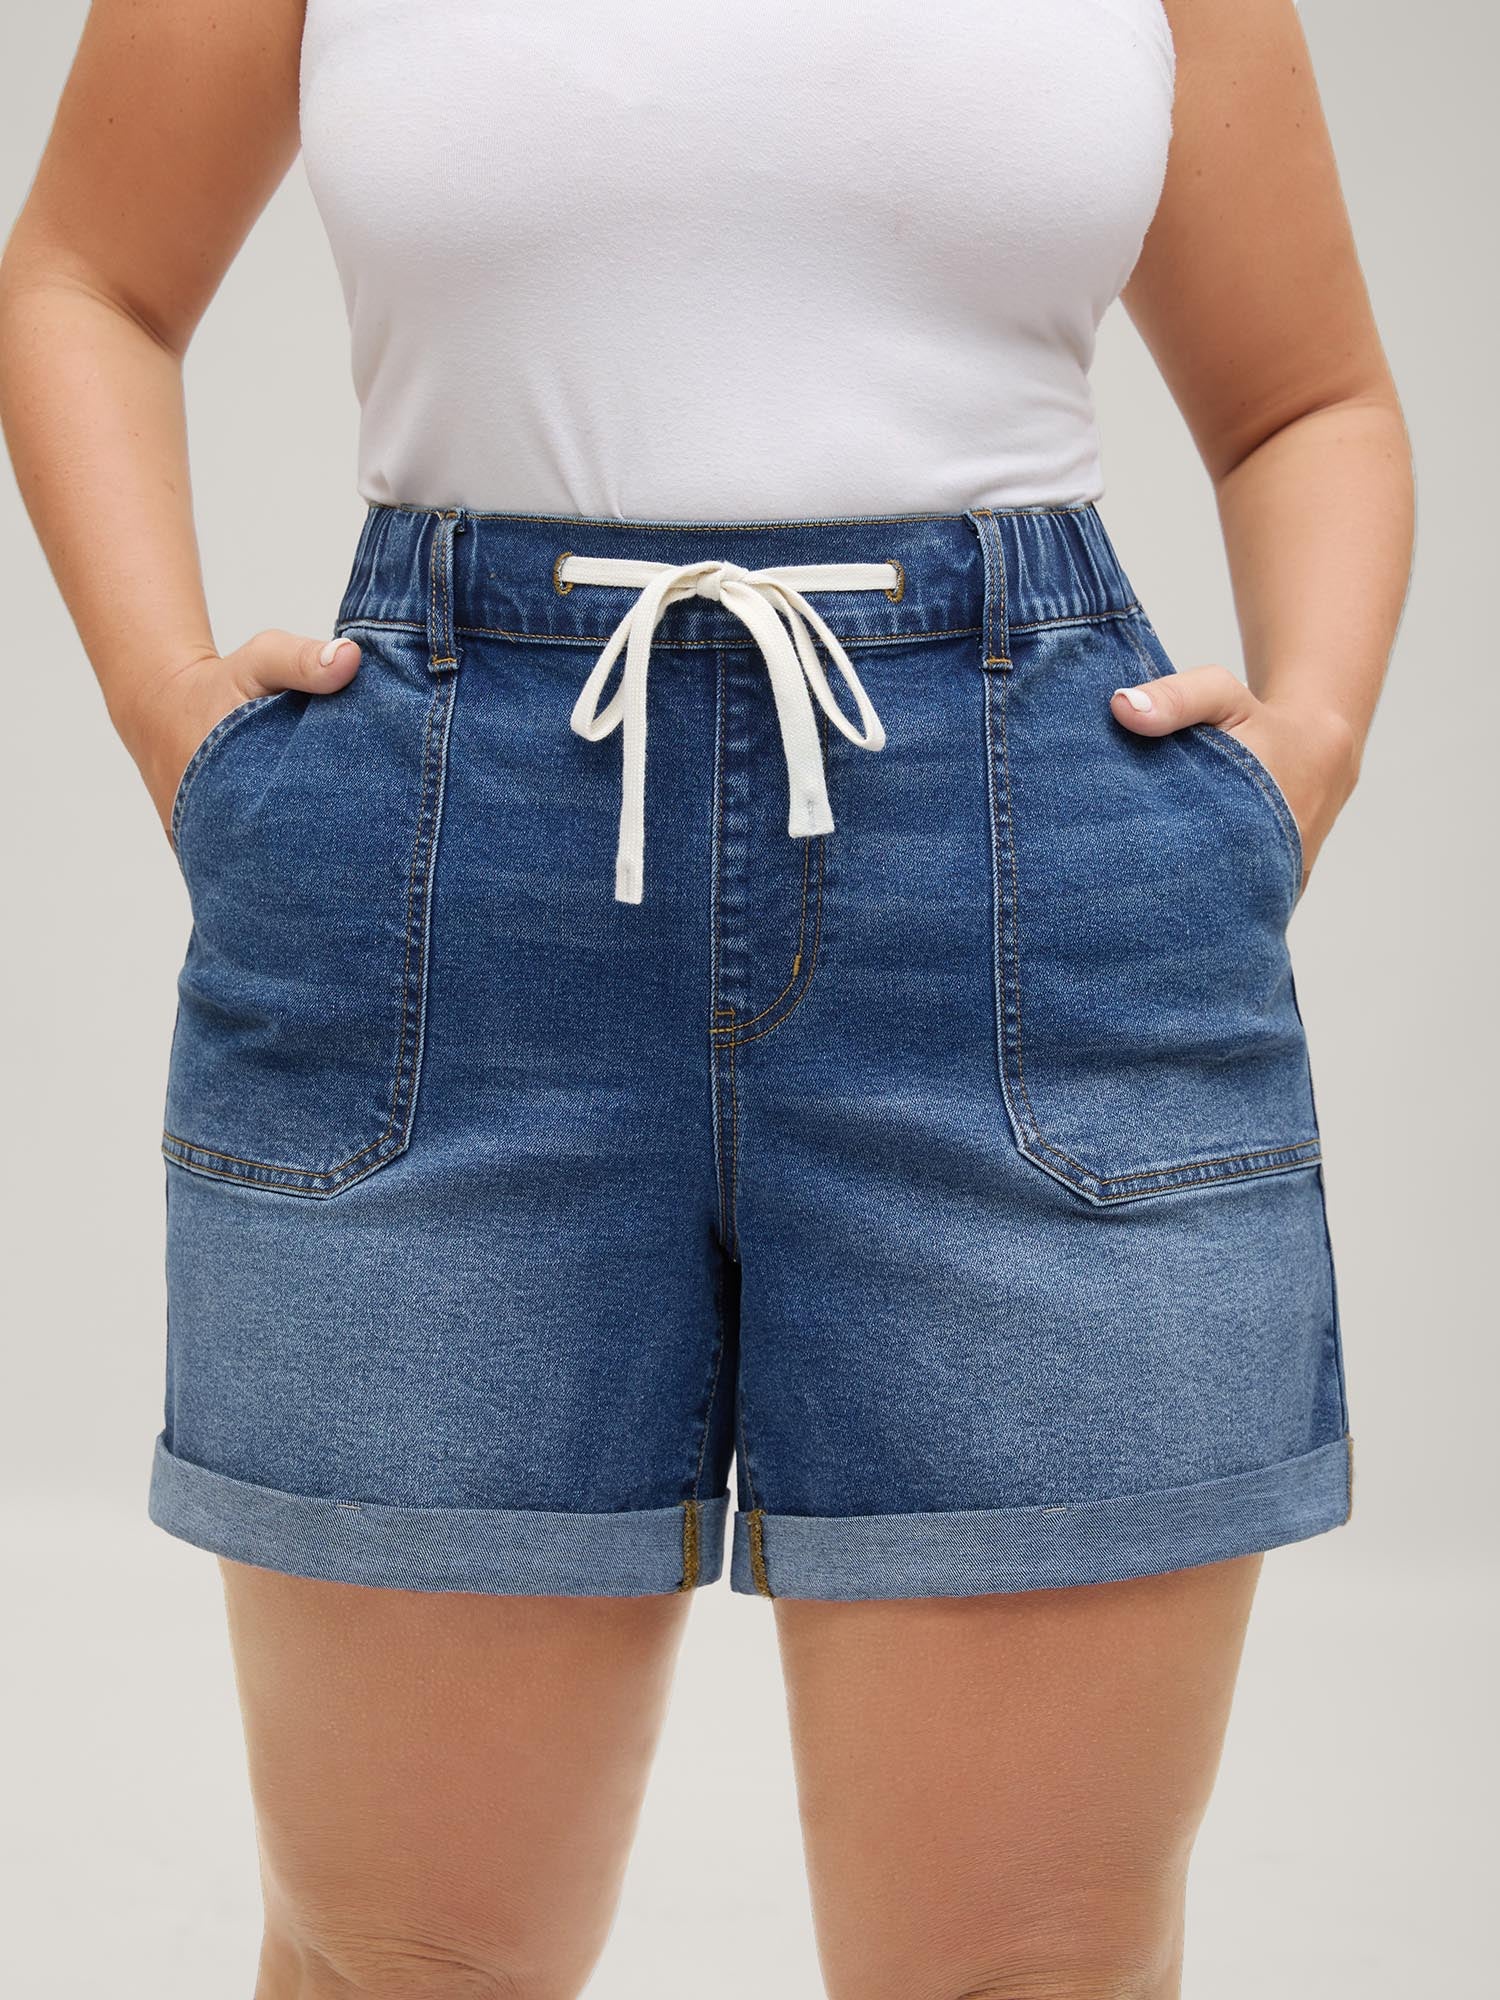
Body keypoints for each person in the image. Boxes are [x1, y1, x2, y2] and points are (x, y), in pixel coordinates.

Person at [0, 2, 1413, 1996]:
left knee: (1034, 1967)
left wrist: (1310, 736)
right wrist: (170, 709)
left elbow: (1306, 397)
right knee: (401, 1960)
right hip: (446, 901)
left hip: (1033, 896)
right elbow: (86, 273)